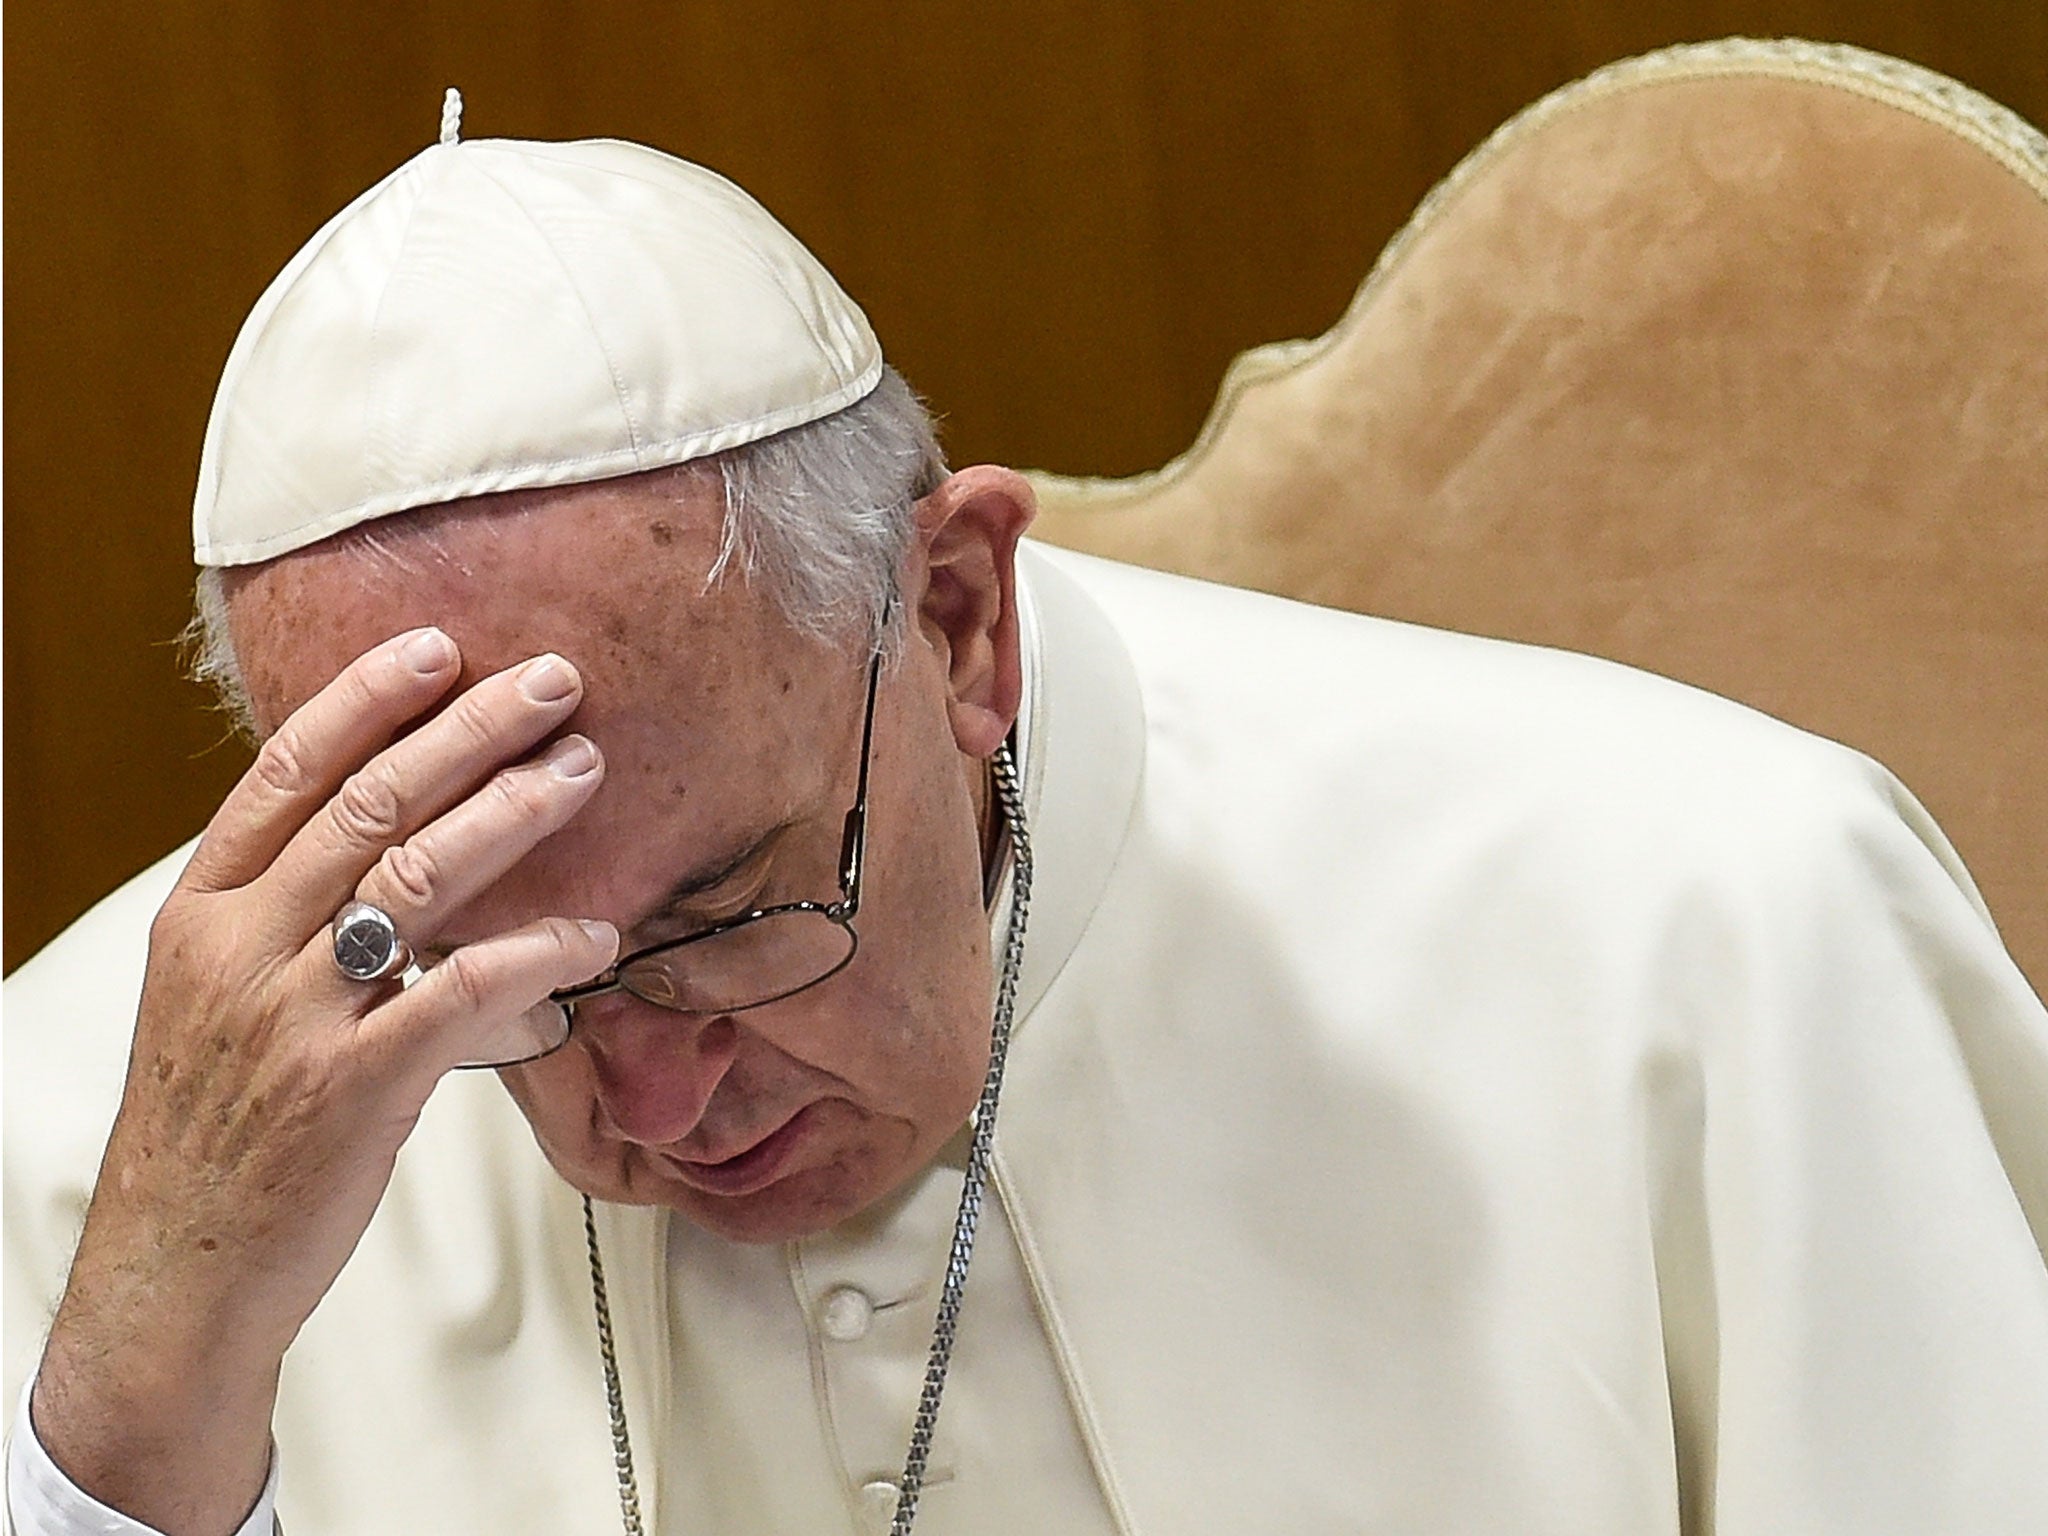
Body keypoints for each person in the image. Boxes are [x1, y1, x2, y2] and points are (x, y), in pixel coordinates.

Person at [7, 104, 2048, 1536]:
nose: (652, 1099)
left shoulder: (1701, 940)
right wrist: (128, 1421)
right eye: (494, 986)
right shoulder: (87, 1134)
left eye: (721, 918)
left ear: (959, 612)